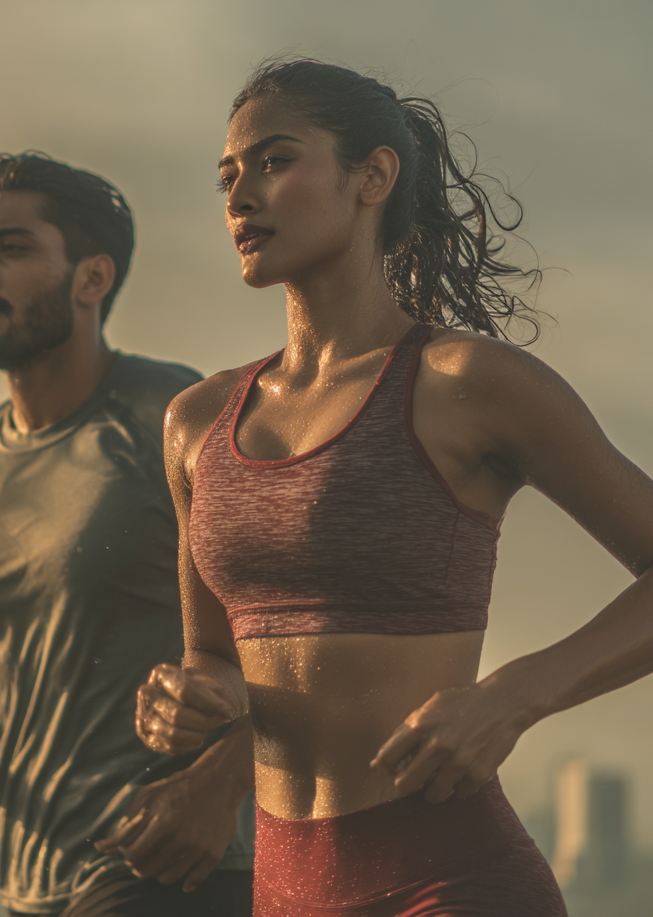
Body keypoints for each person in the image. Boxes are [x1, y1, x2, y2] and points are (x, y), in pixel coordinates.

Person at [134, 60, 653, 916]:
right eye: (227, 176)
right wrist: (191, 701)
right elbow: (216, 658)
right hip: (283, 892)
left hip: (451, 883)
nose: (239, 195)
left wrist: (516, 695)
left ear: (373, 176)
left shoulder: (464, 381)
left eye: (273, 161)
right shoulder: (195, 422)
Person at [0, 151, 255, 917]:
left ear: (92, 279)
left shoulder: (176, 415)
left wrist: (224, 779)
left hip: (174, 868)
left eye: (11, 250)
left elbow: (302, 612)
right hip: (29, 887)